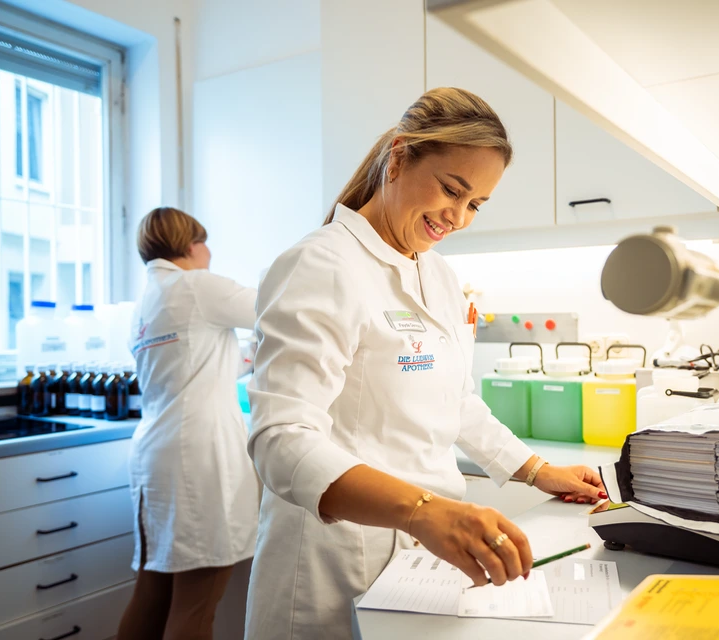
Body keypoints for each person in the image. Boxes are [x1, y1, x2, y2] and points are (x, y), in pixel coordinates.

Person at [245, 87, 606, 639]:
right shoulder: (321, 264)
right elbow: (281, 438)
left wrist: (536, 471)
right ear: (398, 158)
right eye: (452, 190)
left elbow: (454, 401)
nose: (458, 217)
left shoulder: (435, 272)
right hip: (336, 561)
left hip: (425, 558)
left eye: (476, 204)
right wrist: (421, 509)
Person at [118, 207, 259, 640]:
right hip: (197, 456)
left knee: (153, 590)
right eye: (205, 242)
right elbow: (279, 306)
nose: (210, 252)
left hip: (154, 455)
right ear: (190, 246)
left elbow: (203, 364)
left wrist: (253, 352)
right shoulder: (196, 286)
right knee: (197, 604)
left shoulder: (145, 303)